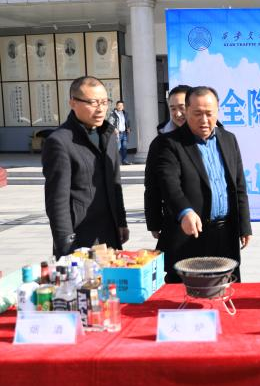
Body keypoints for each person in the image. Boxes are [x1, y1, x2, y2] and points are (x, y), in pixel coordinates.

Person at [155, 86, 252, 282]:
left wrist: (244, 225)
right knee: (188, 293)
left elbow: (239, 185)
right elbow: (169, 184)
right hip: (189, 236)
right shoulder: (170, 143)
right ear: (187, 111)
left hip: (225, 235)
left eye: (209, 113)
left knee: (226, 289)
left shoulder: (228, 139)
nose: (204, 120)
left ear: (218, 111)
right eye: (197, 114)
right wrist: (185, 212)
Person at [42, 76, 129, 258]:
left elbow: (115, 184)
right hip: (81, 238)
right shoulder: (60, 142)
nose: (100, 109)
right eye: (93, 102)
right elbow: (57, 201)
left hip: (110, 234)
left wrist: (121, 222)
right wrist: (67, 245)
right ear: (73, 103)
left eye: (104, 102)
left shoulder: (108, 135)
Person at [144, 84, 191, 239]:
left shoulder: (216, 138)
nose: (178, 113)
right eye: (173, 108)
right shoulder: (160, 143)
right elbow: (152, 186)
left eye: (182, 107)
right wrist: (154, 222)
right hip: (175, 222)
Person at [108, 100, 131, 165]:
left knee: (124, 148)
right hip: (117, 134)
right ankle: (114, 162)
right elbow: (110, 123)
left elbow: (128, 122)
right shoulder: (113, 114)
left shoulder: (125, 113)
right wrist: (114, 129)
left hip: (124, 133)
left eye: (121, 105)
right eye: (119, 105)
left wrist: (129, 128)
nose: (120, 107)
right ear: (116, 106)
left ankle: (124, 160)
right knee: (118, 148)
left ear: (123, 106)